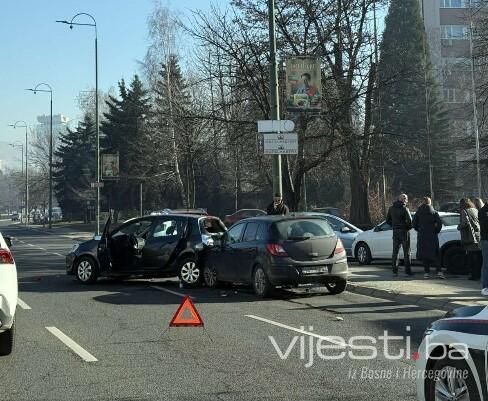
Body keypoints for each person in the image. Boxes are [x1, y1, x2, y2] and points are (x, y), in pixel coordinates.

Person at [412, 197, 444, 279]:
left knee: (425, 254)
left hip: (422, 236)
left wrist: (419, 230)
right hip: (432, 235)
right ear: (430, 202)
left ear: (422, 203)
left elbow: (414, 224)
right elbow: (439, 224)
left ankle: (426, 273)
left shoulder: (418, 212)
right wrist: (435, 231)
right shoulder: (434, 212)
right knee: (436, 253)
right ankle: (439, 271)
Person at [386, 194, 413, 276]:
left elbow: (387, 220)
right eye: (406, 198)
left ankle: (394, 271)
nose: (406, 200)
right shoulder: (405, 209)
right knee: (407, 252)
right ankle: (408, 271)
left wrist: (394, 226)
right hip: (404, 232)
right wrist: (407, 227)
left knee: (395, 252)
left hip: (395, 232)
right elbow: (410, 221)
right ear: (403, 200)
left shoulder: (391, 208)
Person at [457, 198, 481, 280]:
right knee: (478, 257)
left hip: (469, 237)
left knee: (471, 257)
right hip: (478, 235)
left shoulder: (465, 211)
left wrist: (458, 227)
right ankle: (478, 274)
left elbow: (465, 222)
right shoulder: (475, 209)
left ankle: (474, 275)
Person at [477, 199, 488, 295]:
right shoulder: (483, 211)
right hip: (486, 240)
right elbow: (484, 225)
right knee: (486, 264)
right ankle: (485, 287)